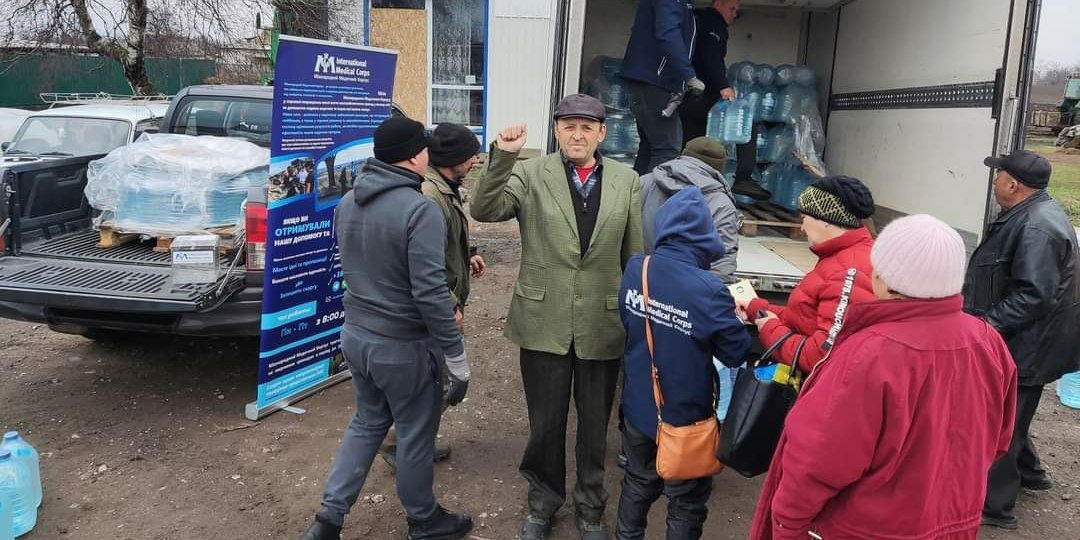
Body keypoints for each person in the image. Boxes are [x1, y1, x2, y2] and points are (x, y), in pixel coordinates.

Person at [750, 213, 1018, 540]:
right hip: (953, 522)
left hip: (866, 530)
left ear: (886, 280)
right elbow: (997, 440)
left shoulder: (868, 353)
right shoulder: (988, 341)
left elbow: (818, 460)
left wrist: (787, 525)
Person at [470, 93, 643, 540]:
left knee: (594, 426)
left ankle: (590, 506)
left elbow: (634, 256)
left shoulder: (626, 181)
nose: (577, 135)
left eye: (586, 127)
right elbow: (484, 209)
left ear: (602, 133)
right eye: (568, 126)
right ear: (556, 131)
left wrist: (637, 316)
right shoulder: (531, 173)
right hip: (542, 318)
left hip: (601, 322)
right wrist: (503, 156)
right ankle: (543, 501)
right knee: (545, 423)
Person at [299, 117, 473, 540]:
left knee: (367, 422)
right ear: (414, 157)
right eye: (425, 148)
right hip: (403, 348)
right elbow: (430, 292)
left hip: (357, 338)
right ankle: (424, 519)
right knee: (415, 434)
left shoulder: (347, 202)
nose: (429, 154)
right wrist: (456, 357)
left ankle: (328, 520)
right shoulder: (419, 209)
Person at [617, 187, 750, 540]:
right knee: (686, 502)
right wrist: (732, 319)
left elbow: (628, 322)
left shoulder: (637, 268)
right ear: (705, 234)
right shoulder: (708, 289)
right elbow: (735, 352)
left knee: (637, 482)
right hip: (686, 417)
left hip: (639, 406)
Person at [963, 150, 1080, 530]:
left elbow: (1034, 295)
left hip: (1031, 344)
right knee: (1014, 411)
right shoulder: (1031, 213)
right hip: (1032, 339)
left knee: (1004, 421)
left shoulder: (1036, 228)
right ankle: (1032, 474)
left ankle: (996, 507)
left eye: (999, 176)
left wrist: (984, 327)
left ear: (1013, 184)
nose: (995, 181)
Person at [378, 122, 486, 470]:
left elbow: (442, 242)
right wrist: (450, 305)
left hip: (440, 302)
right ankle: (398, 443)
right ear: (453, 158)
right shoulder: (430, 195)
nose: (475, 160)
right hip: (434, 309)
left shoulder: (445, 187)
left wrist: (467, 254)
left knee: (436, 381)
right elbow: (422, 264)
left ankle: (411, 439)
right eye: (470, 155)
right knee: (435, 382)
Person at [737, 176, 877, 372]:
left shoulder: (848, 272)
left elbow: (821, 356)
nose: (802, 228)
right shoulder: (838, 258)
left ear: (826, 220)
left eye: (804, 218)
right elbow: (805, 318)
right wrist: (757, 309)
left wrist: (770, 329)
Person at [640, 136, 739, 283]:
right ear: (719, 168)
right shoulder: (721, 203)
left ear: (683, 155)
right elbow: (722, 263)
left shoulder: (645, 182)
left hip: (640, 281)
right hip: (688, 289)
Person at [622, 0, 704, 175]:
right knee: (667, 149)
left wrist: (680, 84)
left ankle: (637, 192)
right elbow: (668, 34)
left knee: (651, 146)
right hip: (654, 79)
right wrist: (688, 76)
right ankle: (656, 193)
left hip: (650, 78)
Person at [678, 0, 739, 143]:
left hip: (684, 90)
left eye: (737, 11)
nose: (734, 14)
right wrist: (724, 86)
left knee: (688, 138)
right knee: (740, 122)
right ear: (718, 4)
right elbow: (710, 58)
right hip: (701, 92)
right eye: (732, 9)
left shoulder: (696, 20)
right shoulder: (714, 24)